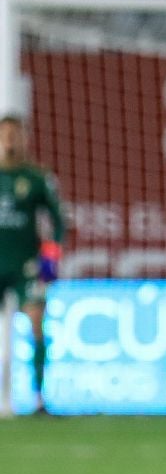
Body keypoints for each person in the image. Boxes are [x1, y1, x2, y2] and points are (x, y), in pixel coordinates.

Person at [0, 115, 65, 418]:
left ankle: (39, 397)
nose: (10, 141)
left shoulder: (36, 179)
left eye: (15, 134)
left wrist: (49, 263)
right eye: (5, 135)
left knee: (37, 321)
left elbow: (58, 222)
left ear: (24, 138)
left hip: (26, 264)